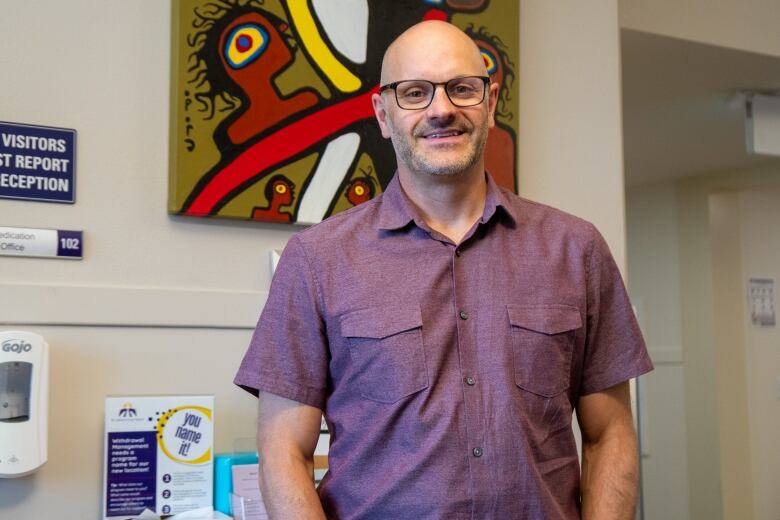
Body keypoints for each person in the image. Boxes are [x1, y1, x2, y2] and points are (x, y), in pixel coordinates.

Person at [234, 20, 653, 520]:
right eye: (414, 92)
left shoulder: (576, 248)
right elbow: (285, 453)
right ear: (383, 113)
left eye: (461, 88)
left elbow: (610, 434)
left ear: (490, 101)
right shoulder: (317, 260)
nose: (441, 109)